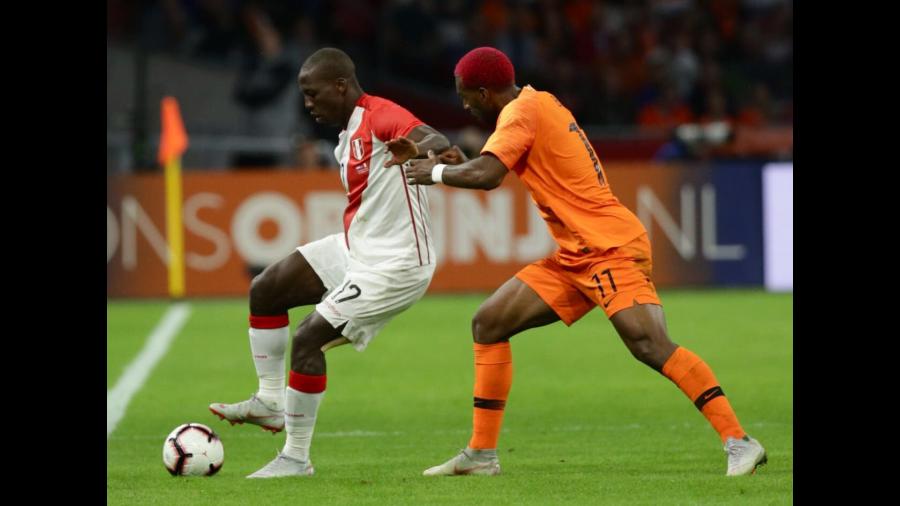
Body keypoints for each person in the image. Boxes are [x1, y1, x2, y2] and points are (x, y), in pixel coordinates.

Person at [404, 47, 766, 477]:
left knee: (649, 344)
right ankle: (481, 454)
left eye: (466, 97)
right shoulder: (537, 102)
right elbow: (485, 168)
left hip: (609, 247)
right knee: (489, 323)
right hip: (576, 255)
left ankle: (740, 441)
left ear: (484, 92)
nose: (464, 105)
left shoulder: (521, 113)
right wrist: (459, 165)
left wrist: (435, 174)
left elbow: (487, 176)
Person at [209, 47, 450, 478]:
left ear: (340, 86)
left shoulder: (380, 115)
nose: (307, 103)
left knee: (308, 339)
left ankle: (295, 458)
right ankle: (269, 401)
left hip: (396, 264)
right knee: (266, 289)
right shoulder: (345, 134)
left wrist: (418, 146)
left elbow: (436, 139)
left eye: (312, 93)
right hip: (357, 248)